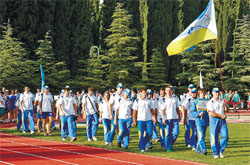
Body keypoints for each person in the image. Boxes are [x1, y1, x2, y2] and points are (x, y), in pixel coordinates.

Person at [207, 88, 229, 158]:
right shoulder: (210, 102)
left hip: (222, 120)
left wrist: (225, 104)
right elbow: (211, 113)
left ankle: (221, 151)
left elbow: (227, 110)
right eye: (215, 92)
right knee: (214, 137)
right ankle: (215, 152)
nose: (217, 94)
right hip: (214, 120)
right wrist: (220, 115)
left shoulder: (221, 101)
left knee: (225, 136)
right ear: (212, 93)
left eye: (218, 92)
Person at [160, 86, 181, 152]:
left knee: (176, 132)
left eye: (169, 90)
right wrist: (163, 118)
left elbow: (177, 107)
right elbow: (162, 110)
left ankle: (169, 143)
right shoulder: (163, 100)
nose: (168, 92)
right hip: (167, 119)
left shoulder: (175, 98)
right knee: (168, 133)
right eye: (167, 90)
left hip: (175, 118)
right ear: (165, 91)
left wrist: (179, 115)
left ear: (172, 91)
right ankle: (168, 147)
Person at [191, 89, 209, 155]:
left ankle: (198, 149)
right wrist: (198, 114)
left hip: (205, 121)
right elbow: (192, 112)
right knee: (201, 135)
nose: (203, 94)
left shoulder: (208, 101)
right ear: (199, 94)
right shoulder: (196, 102)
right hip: (199, 121)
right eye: (201, 93)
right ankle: (204, 149)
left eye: (204, 93)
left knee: (202, 136)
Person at [180, 84, 194, 148]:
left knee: (193, 130)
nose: (191, 89)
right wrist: (183, 116)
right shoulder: (185, 96)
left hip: (194, 116)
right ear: (188, 89)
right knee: (187, 129)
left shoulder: (195, 95)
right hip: (187, 115)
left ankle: (193, 142)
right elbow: (182, 106)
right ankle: (188, 142)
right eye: (190, 88)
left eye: (192, 88)